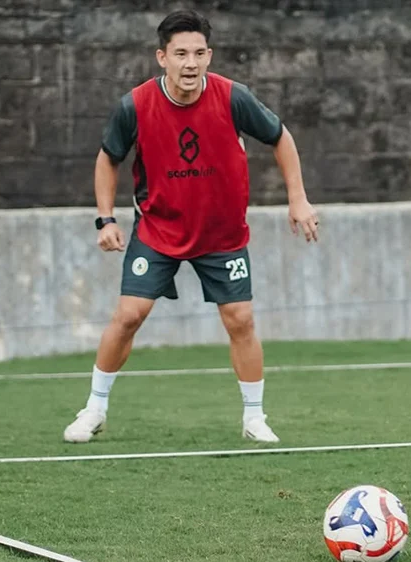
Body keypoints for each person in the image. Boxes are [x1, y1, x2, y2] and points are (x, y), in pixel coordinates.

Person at [62, 10, 320, 444]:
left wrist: (298, 198)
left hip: (221, 234)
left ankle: (254, 417)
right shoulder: (135, 105)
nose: (190, 63)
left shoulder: (234, 97)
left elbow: (280, 137)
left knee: (241, 319)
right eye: (180, 54)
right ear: (162, 57)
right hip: (158, 230)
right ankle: (94, 408)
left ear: (209, 55)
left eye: (199, 53)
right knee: (128, 316)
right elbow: (108, 157)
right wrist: (105, 218)